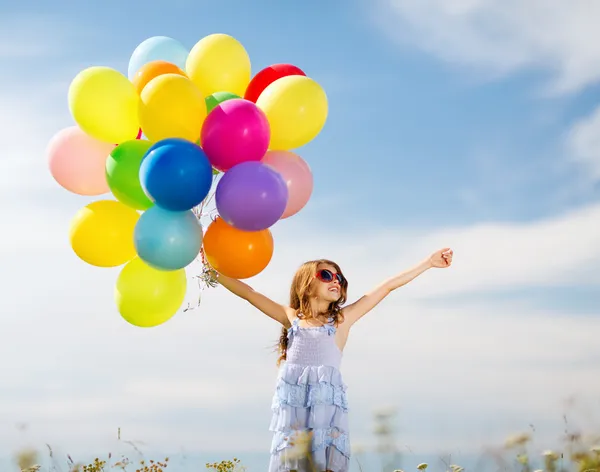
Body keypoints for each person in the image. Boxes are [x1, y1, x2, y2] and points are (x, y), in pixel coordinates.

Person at [214, 247, 453, 472]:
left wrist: (428, 263)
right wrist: (212, 271)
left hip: (326, 417)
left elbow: (387, 286)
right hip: (294, 416)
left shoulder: (341, 320)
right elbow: (248, 293)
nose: (336, 280)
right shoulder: (291, 319)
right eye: (326, 275)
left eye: (340, 277)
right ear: (305, 284)